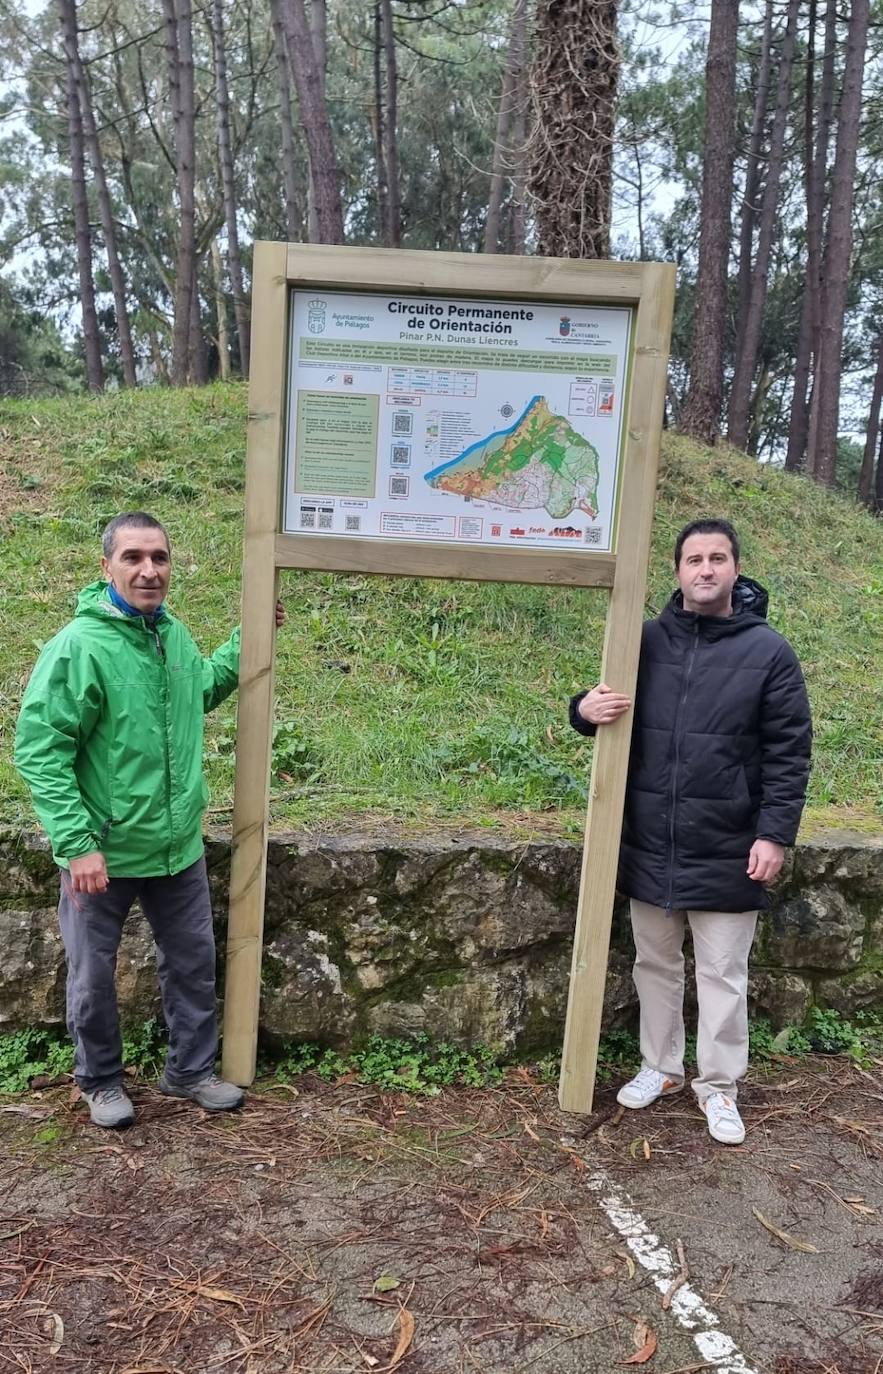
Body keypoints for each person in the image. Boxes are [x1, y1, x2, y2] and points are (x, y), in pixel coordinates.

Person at [15, 511, 285, 1129]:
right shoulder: (79, 647)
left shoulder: (174, 636)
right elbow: (38, 747)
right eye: (133, 557)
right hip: (101, 855)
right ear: (106, 565)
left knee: (192, 963)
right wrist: (77, 843)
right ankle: (101, 1081)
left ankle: (190, 1070)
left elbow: (202, 689)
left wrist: (249, 638)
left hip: (176, 850)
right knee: (91, 978)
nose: (148, 570)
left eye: (159, 558)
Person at [569, 518, 811, 1145]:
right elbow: (601, 701)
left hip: (730, 843)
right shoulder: (642, 640)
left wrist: (773, 834)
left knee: (723, 973)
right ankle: (661, 1067)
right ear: (677, 572)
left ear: (736, 569)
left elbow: (789, 753)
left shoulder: (769, 652)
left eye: (718, 558)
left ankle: (720, 1087)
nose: (705, 569)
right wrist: (581, 711)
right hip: (651, 837)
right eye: (694, 559)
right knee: (654, 962)